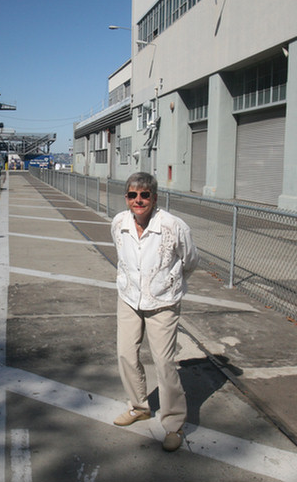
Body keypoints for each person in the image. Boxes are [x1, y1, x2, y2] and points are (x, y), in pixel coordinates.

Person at [110, 171, 199, 452]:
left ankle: (173, 424)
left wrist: (168, 282)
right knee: (126, 353)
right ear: (126, 198)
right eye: (132, 195)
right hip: (128, 298)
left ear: (155, 198)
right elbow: (122, 256)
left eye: (144, 194)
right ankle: (139, 406)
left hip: (162, 302)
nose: (139, 200)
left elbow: (191, 261)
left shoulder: (173, 226)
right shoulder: (119, 223)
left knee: (164, 362)